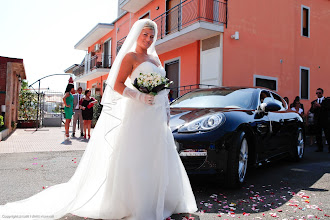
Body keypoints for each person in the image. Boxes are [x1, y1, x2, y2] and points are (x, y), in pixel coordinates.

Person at [0, 19, 197, 219]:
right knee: (138, 154)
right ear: (137, 35)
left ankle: (160, 200)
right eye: (145, 35)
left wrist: (164, 110)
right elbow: (118, 84)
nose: (148, 39)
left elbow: (162, 89)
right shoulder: (130, 57)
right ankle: (136, 202)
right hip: (138, 113)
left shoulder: (156, 60)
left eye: (152, 36)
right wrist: (138, 96)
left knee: (158, 155)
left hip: (156, 116)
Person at [309, 88, 330, 153]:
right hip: (317, 120)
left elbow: (328, 108)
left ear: (322, 93)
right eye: (317, 93)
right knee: (318, 135)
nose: (318, 94)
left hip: (325, 120)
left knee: (328, 135)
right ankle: (320, 148)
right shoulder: (314, 102)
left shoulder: (327, 100)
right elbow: (311, 111)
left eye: (319, 93)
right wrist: (314, 107)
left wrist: (320, 106)